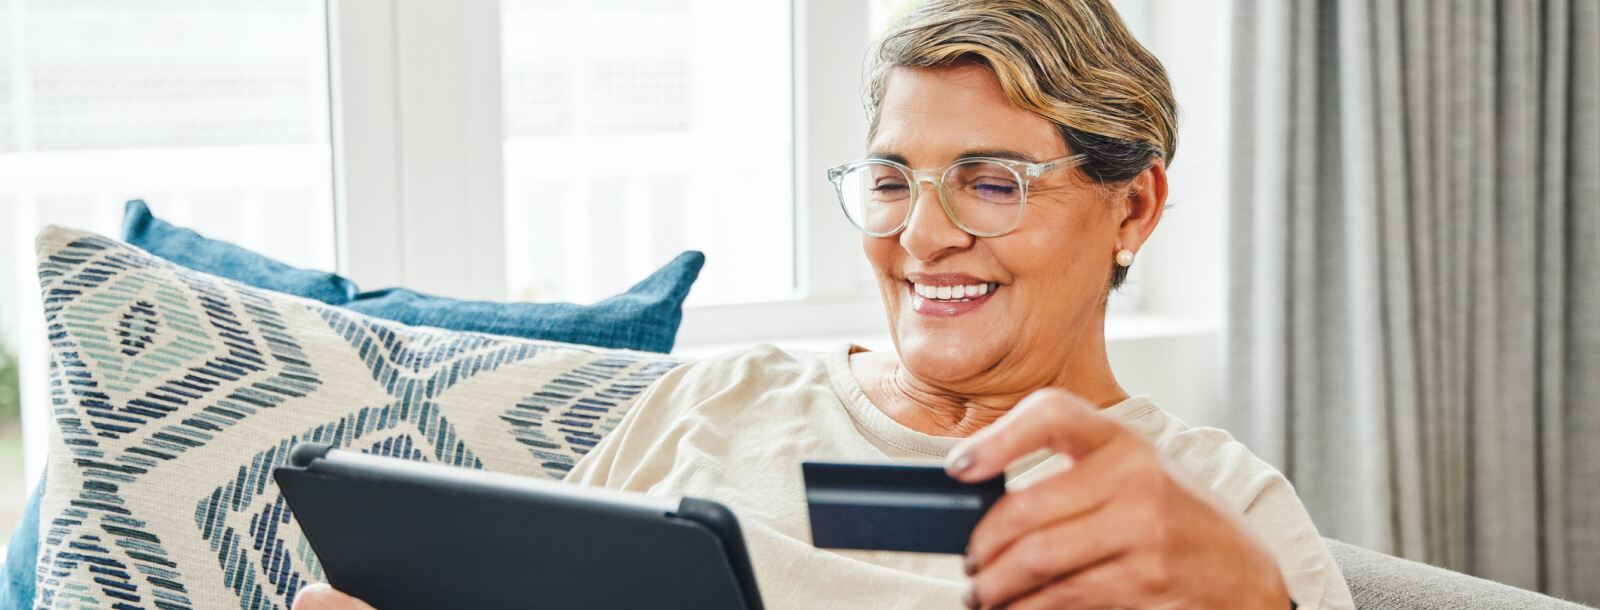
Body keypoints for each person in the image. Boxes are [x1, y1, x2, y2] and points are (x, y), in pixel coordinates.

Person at [294, 0, 1355, 608]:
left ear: (1133, 208)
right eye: (892, 180)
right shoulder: (718, 399)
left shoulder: (1215, 509)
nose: (923, 234)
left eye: (990, 181)